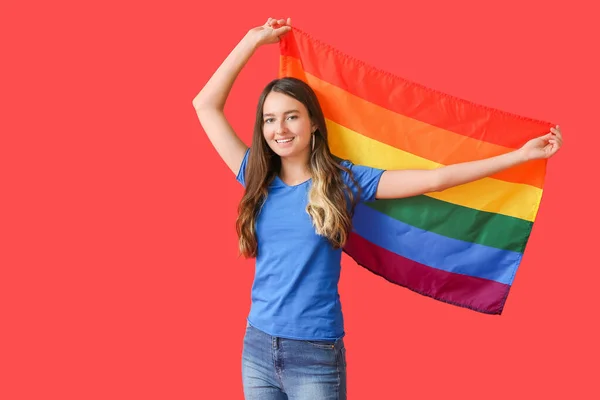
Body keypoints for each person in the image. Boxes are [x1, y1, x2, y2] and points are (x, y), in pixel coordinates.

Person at [192, 17, 563, 400]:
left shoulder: (343, 181)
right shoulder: (256, 176)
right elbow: (204, 105)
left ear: (313, 124)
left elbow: (433, 180)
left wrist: (516, 157)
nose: (280, 129)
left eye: (291, 117)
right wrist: (251, 42)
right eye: (270, 119)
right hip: (257, 347)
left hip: (315, 355)